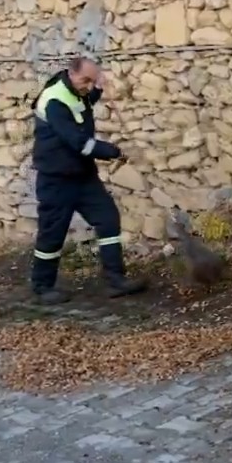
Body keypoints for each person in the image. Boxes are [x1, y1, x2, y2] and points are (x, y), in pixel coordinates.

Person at [29, 57, 146, 304]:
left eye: (92, 81)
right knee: (52, 232)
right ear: (71, 73)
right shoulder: (54, 100)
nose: (88, 86)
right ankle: (42, 287)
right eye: (86, 80)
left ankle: (116, 279)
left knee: (108, 219)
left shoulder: (76, 91)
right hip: (56, 179)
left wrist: (99, 89)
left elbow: (82, 108)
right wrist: (114, 151)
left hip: (82, 176)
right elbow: (79, 142)